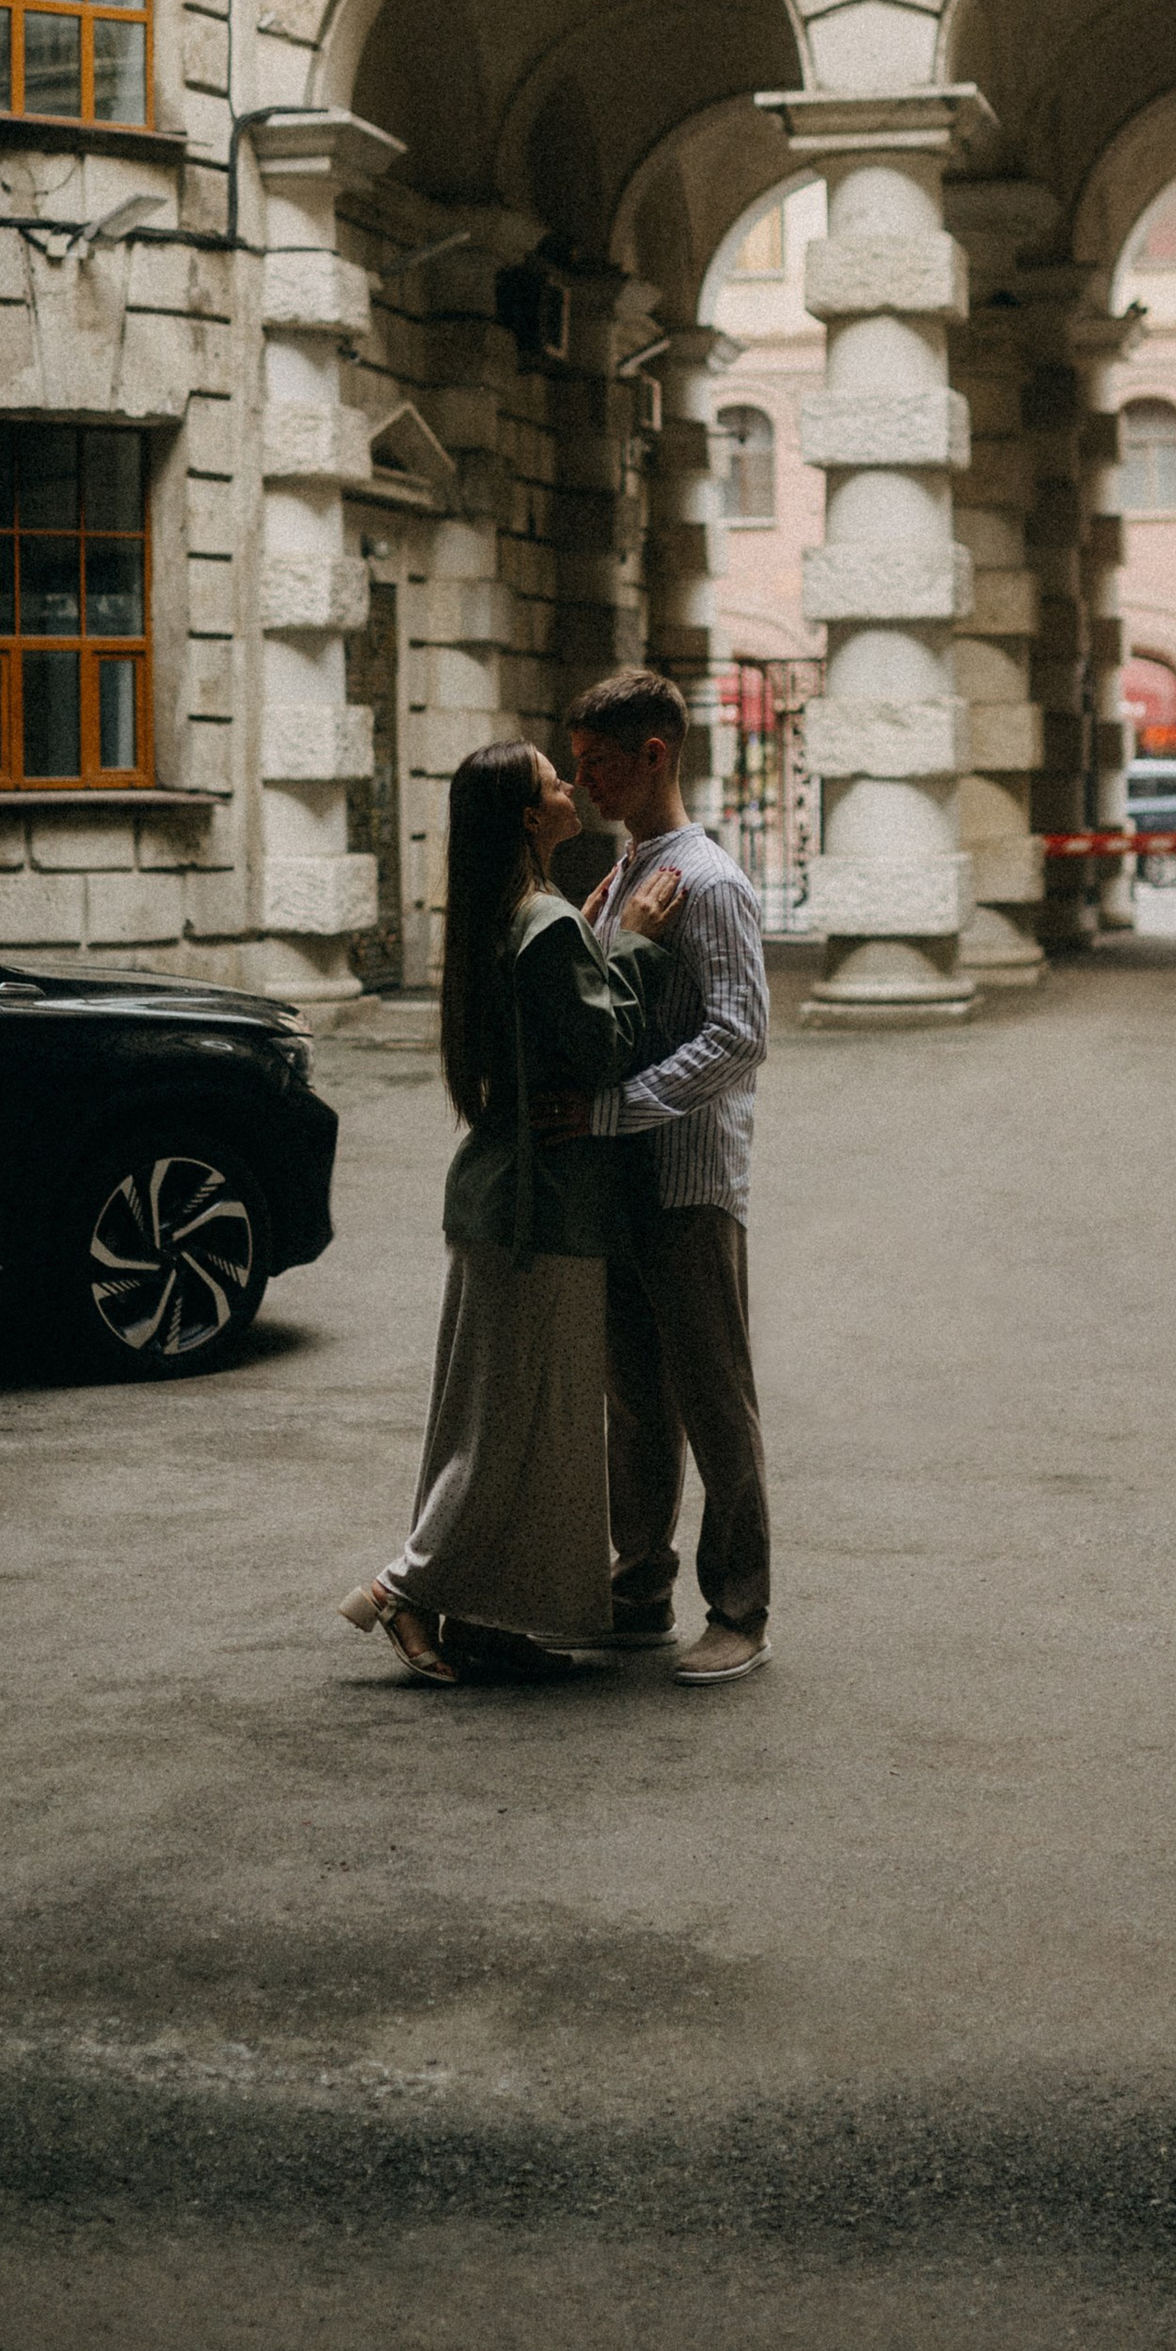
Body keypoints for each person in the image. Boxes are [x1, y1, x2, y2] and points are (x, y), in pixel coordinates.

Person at [339, 740, 685, 1684]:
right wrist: (641, 945)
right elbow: (605, 1046)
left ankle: (489, 1619)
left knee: (506, 1423)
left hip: (503, 1202)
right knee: (516, 1429)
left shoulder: (495, 915)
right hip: (542, 1215)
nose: (572, 786)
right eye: (551, 782)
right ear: (532, 817)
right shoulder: (545, 920)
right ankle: (404, 1591)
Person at [543, 665, 774, 1686]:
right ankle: (637, 1589)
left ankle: (739, 1611)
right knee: (635, 1400)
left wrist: (613, 1111)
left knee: (714, 1402)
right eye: (577, 764)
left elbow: (739, 1034)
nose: (586, 783)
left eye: (601, 764)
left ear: (655, 755)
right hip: (619, 1180)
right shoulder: (628, 868)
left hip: (684, 1181)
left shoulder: (709, 881)